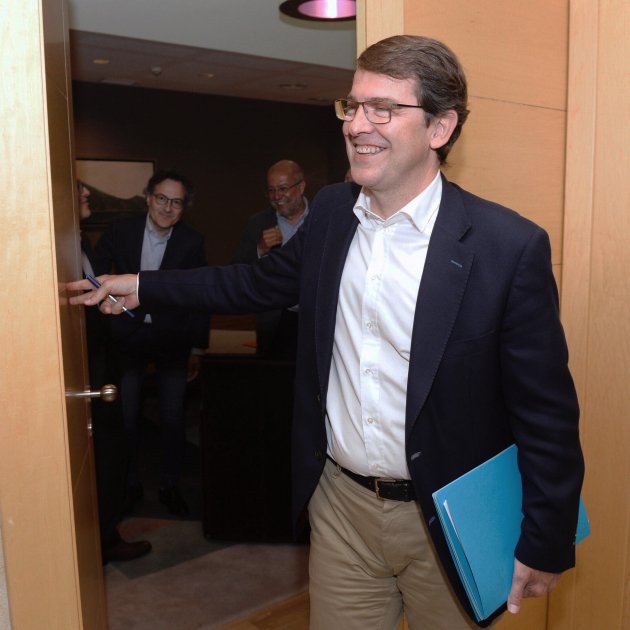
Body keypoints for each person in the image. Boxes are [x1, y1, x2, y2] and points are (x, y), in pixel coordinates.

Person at [69, 35, 584, 629]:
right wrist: (144, 285)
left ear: (440, 127)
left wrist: (547, 538)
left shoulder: (506, 247)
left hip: (449, 519)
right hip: (341, 506)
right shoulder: (335, 212)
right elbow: (253, 283)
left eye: (382, 109)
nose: (356, 124)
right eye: (352, 105)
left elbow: (545, 412)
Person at [90, 170, 210, 516]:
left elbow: (201, 297)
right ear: (148, 197)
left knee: (172, 417)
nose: (167, 208)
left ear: (184, 207)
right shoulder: (120, 231)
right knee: (126, 416)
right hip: (127, 337)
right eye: (161, 198)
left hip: (172, 340)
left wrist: (197, 348)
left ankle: (170, 485)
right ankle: (129, 485)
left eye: (176, 202)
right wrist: (107, 308)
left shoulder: (192, 242)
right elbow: (95, 273)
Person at [78, 181, 152, 564]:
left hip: (103, 363)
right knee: (104, 453)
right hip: (85, 371)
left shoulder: (79, 240)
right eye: (78, 189)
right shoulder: (60, 247)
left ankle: (105, 536)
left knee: (112, 450)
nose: (86, 193)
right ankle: (100, 542)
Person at [232, 160, 308, 359]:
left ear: (301, 187)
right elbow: (238, 270)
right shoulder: (258, 223)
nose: (277, 197)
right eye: (271, 190)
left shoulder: (322, 219)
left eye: (283, 189)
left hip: (315, 320)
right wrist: (260, 250)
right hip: (274, 322)